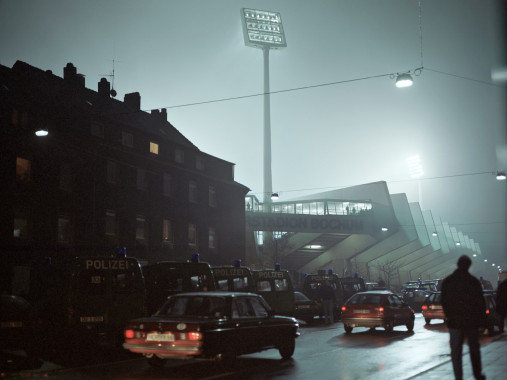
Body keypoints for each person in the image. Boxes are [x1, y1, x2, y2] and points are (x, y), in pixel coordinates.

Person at [441, 255, 486, 380]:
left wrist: (449, 315)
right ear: (468, 265)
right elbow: (480, 303)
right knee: (474, 349)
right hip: (471, 322)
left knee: (456, 351)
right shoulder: (473, 282)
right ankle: (477, 374)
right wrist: (481, 320)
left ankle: (458, 376)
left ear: (458, 264)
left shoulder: (448, 281)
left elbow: (444, 301)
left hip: (454, 322)